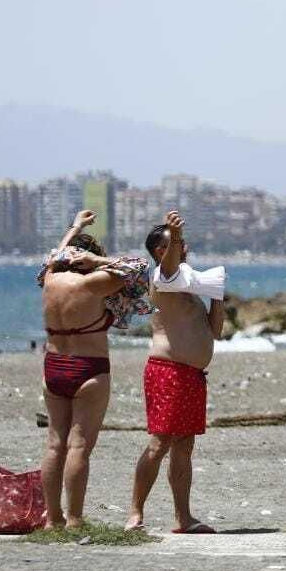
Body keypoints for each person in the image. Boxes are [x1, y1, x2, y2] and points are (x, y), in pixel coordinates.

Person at [37, 210, 152, 528]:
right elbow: (140, 268)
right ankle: (74, 519)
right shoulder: (93, 283)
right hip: (88, 368)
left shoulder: (48, 280)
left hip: (53, 367)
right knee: (79, 446)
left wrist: (74, 229)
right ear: (85, 259)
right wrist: (98, 260)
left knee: (54, 445)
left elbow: (53, 258)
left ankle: (53, 519)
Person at [126, 211, 226, 534]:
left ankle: (183, 518)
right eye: (177, 243)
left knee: (184, 446)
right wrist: (174, 233)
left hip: (193, 376)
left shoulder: (188, 287)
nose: (185, 247)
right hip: (168, 371)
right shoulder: (161, 278)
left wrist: (217, 295)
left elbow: (216, 331)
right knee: (160, 444)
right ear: (161, 251)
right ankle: (135, 513)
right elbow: (169, 267)